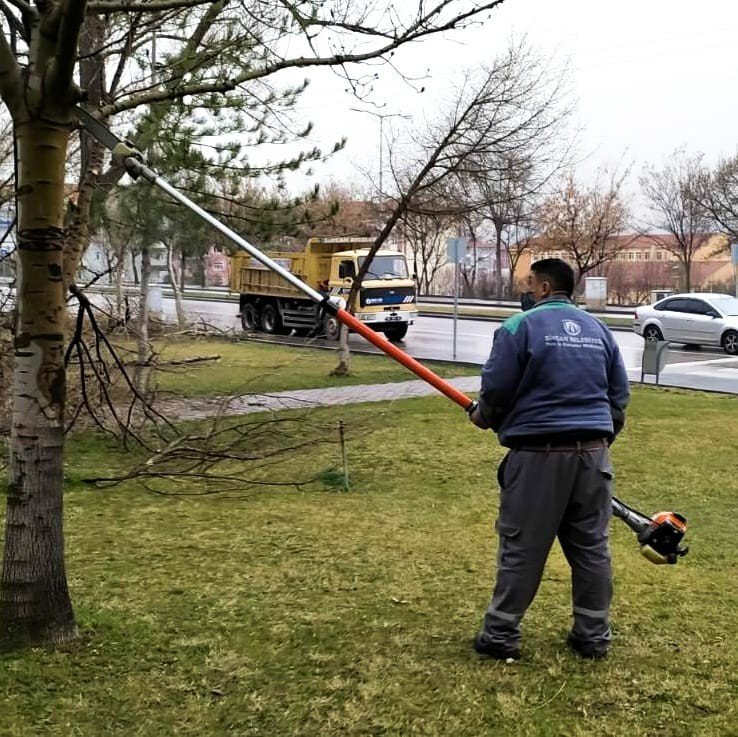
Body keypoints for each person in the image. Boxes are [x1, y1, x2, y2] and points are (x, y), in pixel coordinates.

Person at [469, 258, 630, 660]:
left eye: (529, 284)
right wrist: (598, 437)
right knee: (592, 546)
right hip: (594, 456)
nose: (525, 291)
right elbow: (618, 397)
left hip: (539, 456)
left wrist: (484, 416)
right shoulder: (599, 330)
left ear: (542, 288)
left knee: (522, 545)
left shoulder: (518, 327)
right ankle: (593, 635)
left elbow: (497, 389)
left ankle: (500, 635)